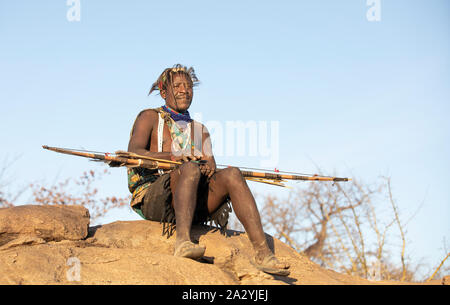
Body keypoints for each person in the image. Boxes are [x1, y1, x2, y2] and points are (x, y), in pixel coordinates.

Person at [127, 64, 290, 276]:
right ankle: (183, 241)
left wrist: (209, 165)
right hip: (155, 199)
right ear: (164, 92)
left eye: (188, 86)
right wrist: (173, 158)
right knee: (189, 169)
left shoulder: (199, 130)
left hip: (192, 202)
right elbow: (133, 153)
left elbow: (208, 164)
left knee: (232, 174)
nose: (184, 90)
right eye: (177, 86)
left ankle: (263, 254)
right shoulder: (149, 117)